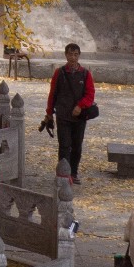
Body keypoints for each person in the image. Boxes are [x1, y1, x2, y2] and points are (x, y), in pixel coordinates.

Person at [42, 42, 97, 185]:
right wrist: (49, 113)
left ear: (79, 56)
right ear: (66, 55)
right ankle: (63, 173)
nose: (73, 58)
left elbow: (90, 94)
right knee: (64, 145)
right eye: (70, 54)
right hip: (63, 115)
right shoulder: (59, 73)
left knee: (77, 145)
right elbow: (52, 94)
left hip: (79, 117)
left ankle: (74, 172)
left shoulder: (85, 74)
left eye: (76, 54)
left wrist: (80, 105)